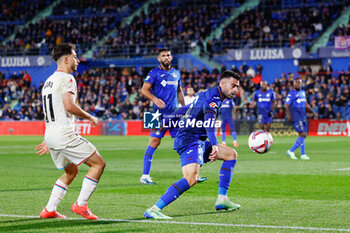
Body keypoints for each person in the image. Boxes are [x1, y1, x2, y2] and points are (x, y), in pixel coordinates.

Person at [144, 70, 241, 219]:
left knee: (231, 154)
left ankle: (222, 200)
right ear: (222, 84)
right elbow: (209, 123)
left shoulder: (207, 93)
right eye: (233, 86)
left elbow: (186, 108)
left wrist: (167, 120)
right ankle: (154, 209)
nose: (236, 90)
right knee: (191, 178)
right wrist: (214, 144)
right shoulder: (213, 98)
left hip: (197, 139)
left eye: (237, 86)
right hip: (189, 139)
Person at [35, 43, 106, 220]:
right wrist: (89, 116)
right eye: (75, 57)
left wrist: (48, 139)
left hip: (51, 135)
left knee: (71, 172)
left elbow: (49, 111)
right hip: (64, 135)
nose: (78, 60)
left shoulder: (48, 82)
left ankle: (49, 209)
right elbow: (69, 106)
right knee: (98, 164)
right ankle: (81, 205)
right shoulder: (68, 79)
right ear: (66, 59)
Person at [140, 48, 185, 184]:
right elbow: (144, 90)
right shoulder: (154, 73)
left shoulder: (176, 73)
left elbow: (179, 91)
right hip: (157, 115)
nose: (166, 57)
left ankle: (191, 173)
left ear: (171, 58)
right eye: (163, 56)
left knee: (184, 142)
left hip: (175, 114)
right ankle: (145, 176)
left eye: (168, 55)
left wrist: (185, 108)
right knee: (154, 143)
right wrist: (154, 99)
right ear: (159, 59)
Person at [285, 78, 318, 160]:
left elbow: (306, 104)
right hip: (296, 116)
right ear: (294, 84)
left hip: (303, 116)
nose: (298, 84)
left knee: (303, 135)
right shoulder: (291, 93)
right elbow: (287, 105)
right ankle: (291, 151)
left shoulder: (303, 92)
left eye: (299, 83)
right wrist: (289, 116)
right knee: (303, 134)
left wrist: (313, 112)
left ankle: (303, 154)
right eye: (297, 83)